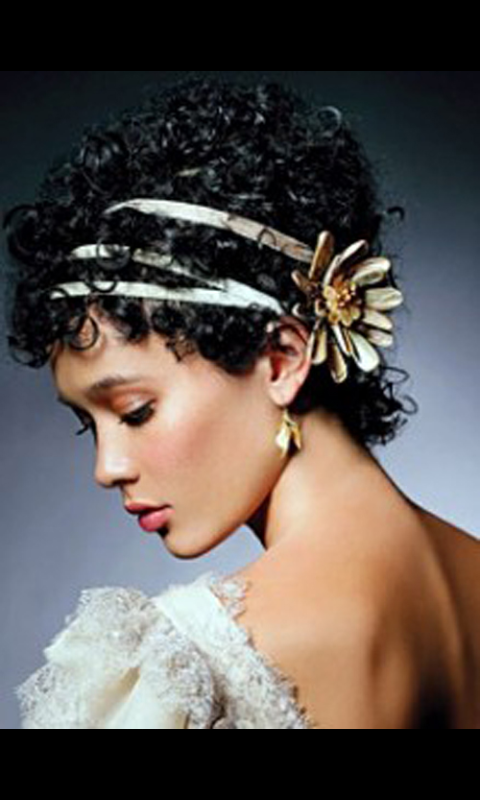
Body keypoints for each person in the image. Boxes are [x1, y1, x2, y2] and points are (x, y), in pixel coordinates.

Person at [4, 75, 480, 729]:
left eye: (137, 411)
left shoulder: (195, 667)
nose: (107, 468)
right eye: (90, 425)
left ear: (281, 359)